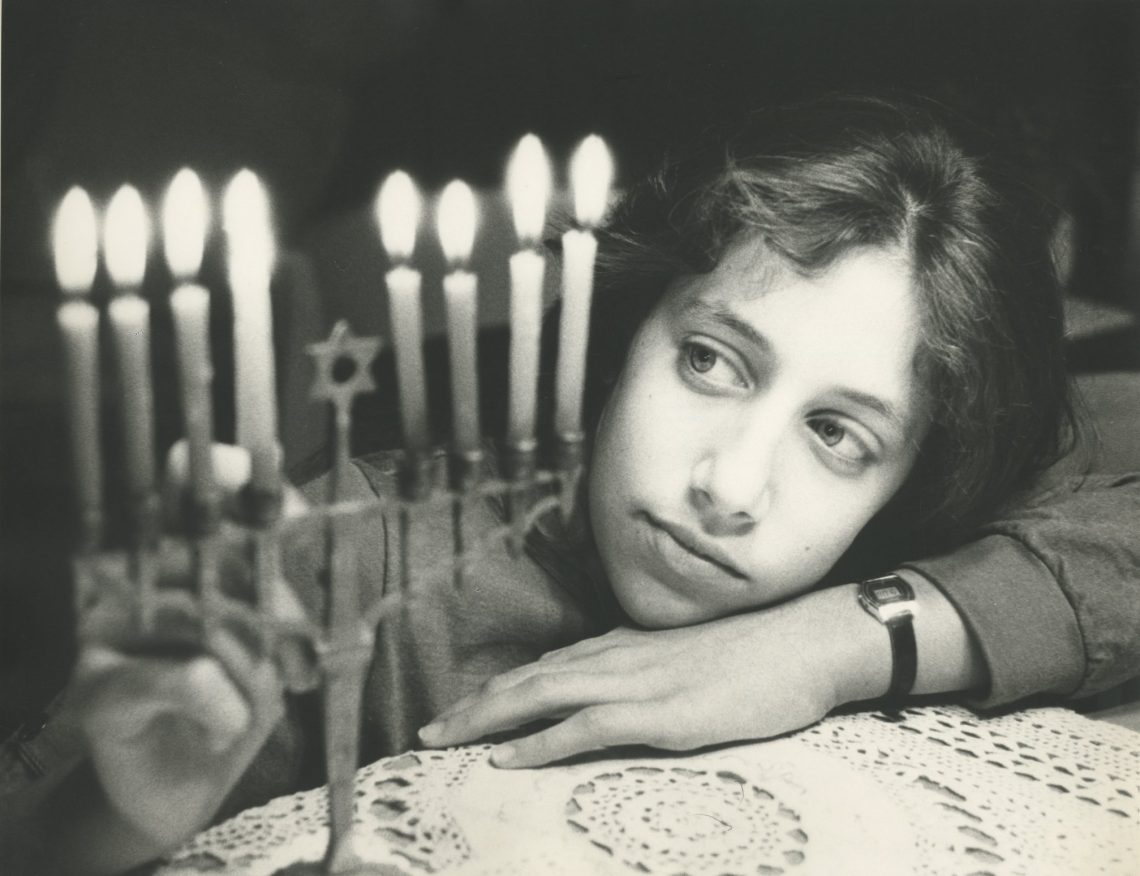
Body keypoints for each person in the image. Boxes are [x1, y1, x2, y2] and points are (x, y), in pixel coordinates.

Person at [3, 94, 1138, 874]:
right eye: (709, 361)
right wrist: (109, 815)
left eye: (838, 435)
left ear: (910, 482)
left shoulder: (947, 529)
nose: (729, 485)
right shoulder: (362, 556)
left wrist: (831, 645)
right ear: (624, 327)